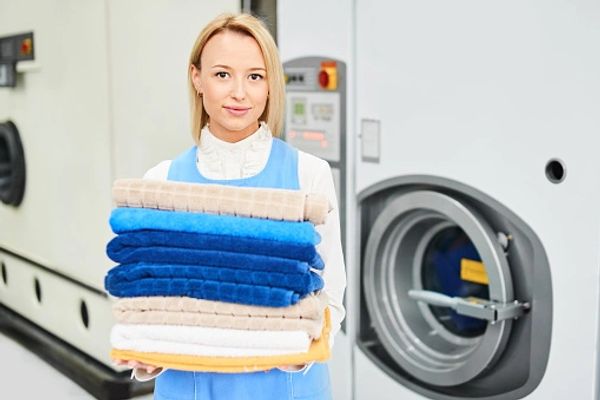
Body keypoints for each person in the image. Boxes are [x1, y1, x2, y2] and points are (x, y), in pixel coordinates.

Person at [115, 13, 346, 400]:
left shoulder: (309, 176)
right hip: (190, 387)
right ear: (197, 78)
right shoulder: (161, 183)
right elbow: (148, 304)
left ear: (271, 85)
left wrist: (301, 352)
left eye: (254, 76)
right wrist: (147, 353)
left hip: (287, 386)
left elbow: (332, 300)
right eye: (222, 74)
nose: (239, 92)